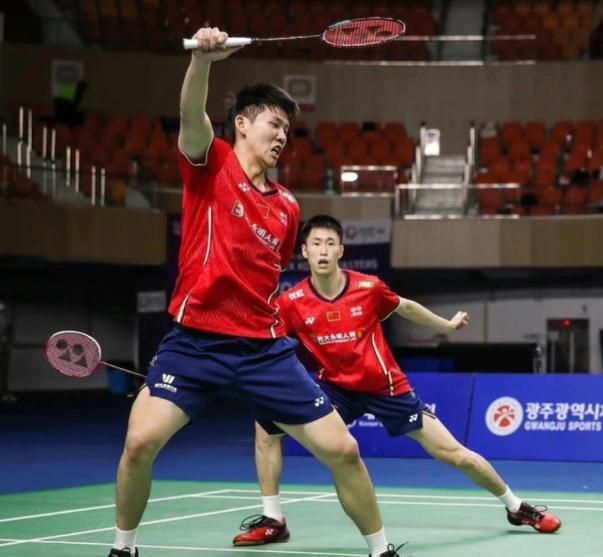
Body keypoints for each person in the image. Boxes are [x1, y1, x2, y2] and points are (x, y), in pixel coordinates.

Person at [107, 28, 405, 557]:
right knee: (138, 444)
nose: (283, 135)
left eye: (288, 129)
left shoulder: (288, 208)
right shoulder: (210, 164)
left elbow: (266, 275)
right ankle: (123, 548)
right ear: (242, 125)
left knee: (344, 450)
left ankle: (381, 550)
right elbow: (191, 115)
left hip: (263, 351)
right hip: (194, 341)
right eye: (274, 123)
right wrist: (202, 59)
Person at [231, 215, 562, 547]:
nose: (323, 250)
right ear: (304, 250)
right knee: (266, 425)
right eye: (316, 243)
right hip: (336, 390)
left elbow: (406, 307)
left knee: (454, 453)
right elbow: (267, 341)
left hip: (386, 387)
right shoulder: (291, 303)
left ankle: (516, 507)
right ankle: (274, 518)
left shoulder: (368, 287)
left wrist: (445, 326)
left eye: (330, 244)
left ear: (340, 251)